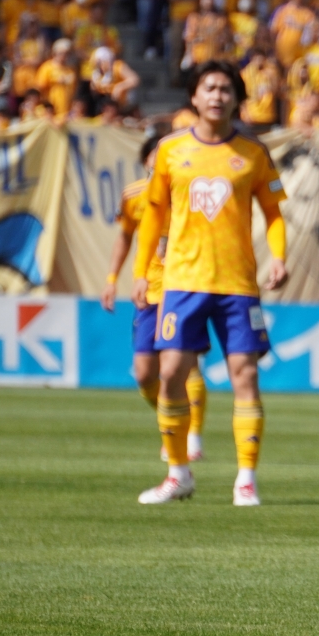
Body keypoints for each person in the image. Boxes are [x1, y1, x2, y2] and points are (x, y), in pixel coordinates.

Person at [132, 60, 288, 506]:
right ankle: (178, 474)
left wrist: (279, 256)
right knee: (170, 374)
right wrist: (141, 272)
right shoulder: (170, 150)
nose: (217, 95)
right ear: (194, 97)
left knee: (245, 375)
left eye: (225, 89)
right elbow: (153, 216)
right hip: (182, 281)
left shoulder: (253, 153)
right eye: (210, 88)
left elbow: (273, 213)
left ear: (237, 99)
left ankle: (246, 480)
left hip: (238, 284)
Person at [101, 136, 208, 463]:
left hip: (184, 288)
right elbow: (125, 237)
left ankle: (191, 437)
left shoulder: (192, 192)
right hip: (148, 292)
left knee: (184, 365)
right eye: (156, 154)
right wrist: (112, 279)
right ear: (146, 160)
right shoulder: (133, 195)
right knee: (145, 373)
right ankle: (174, 421)